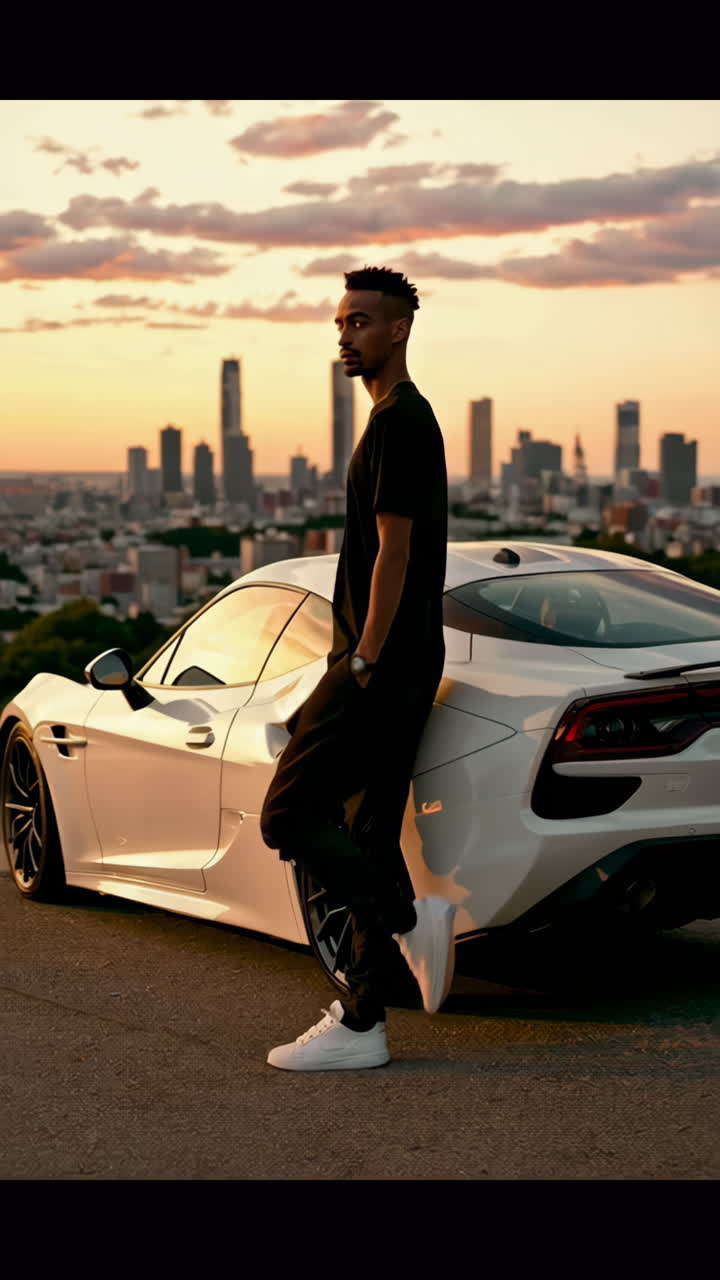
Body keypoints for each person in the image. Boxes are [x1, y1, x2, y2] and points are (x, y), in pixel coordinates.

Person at [260, 265, 456, 1071]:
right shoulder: (393, 419)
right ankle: (365, 1021)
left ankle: (407, 920)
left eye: (361, 323)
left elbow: (395, 551)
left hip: (383, 659)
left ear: (399, 330)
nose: (345, 335)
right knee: (368, 825)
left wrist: (367, 655)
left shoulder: (400, 422)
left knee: (288, 815)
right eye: (340, 323)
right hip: (394, 657)